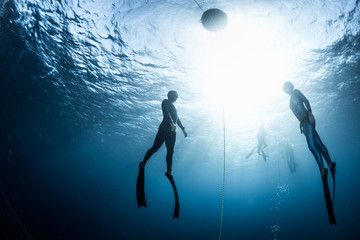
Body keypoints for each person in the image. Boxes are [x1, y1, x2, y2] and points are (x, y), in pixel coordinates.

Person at [282, 81, 336, 225]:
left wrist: (310, 113)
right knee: (317, 143)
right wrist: (302, 125)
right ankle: (330, 164)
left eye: (285, 86)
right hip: (304, 124)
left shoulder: (296, 92)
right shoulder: (290, 98)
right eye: (283, 88)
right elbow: (296, 113)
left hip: (308, 119)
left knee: (312, 146)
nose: (284, 89)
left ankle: (323, 169)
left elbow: (306, 101)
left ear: (290, 86)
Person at [136, 90, 187, 218]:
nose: (177, 97)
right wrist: (170, 123)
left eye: (177, 95)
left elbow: (177, 118)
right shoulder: (166, 102)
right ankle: (143, 163)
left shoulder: (175, 106)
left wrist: (183, 128)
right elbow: (166, 113)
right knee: (155, 148)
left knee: (171, 152)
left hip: (172, 131)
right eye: (175, 95)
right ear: (170, 95)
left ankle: (169, 171)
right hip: (165, 128)